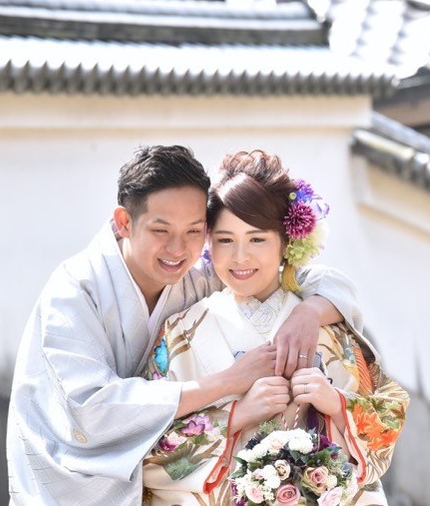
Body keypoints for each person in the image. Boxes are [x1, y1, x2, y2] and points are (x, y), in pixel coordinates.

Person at [7, 145, 362, 506]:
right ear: (124, 222)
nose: (178, 249)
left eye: (194, 231)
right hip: (70, 485)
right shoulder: (74, 290)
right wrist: (226, 384)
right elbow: (91, 408)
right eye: (161, 230)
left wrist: (310, 313)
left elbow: (304, 277)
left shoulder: (189, 280)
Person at [141, 149, 408, 506]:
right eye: (224, 240)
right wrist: (236, 416)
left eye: (257, 239)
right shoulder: (180, 332)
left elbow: (385, 422)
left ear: (286, 243)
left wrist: (335, 404)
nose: (240, 257)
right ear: (208, 243)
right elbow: (147, 450)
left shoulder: (326, 328)